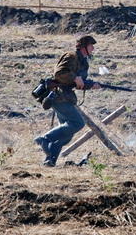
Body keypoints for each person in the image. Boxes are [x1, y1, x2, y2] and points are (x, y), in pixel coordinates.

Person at [34, 35, 101, 167]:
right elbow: (59, 74)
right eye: (91, 46)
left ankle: (50, 160)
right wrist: (75, 77)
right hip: (58, 95)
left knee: (66, 135)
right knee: (77, 123)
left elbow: (77, 83)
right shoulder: (71, 56)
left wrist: (90, 85)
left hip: (66, 96)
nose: (93, 48)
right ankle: (44, 139)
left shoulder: (83, 61)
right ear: (84, 47)